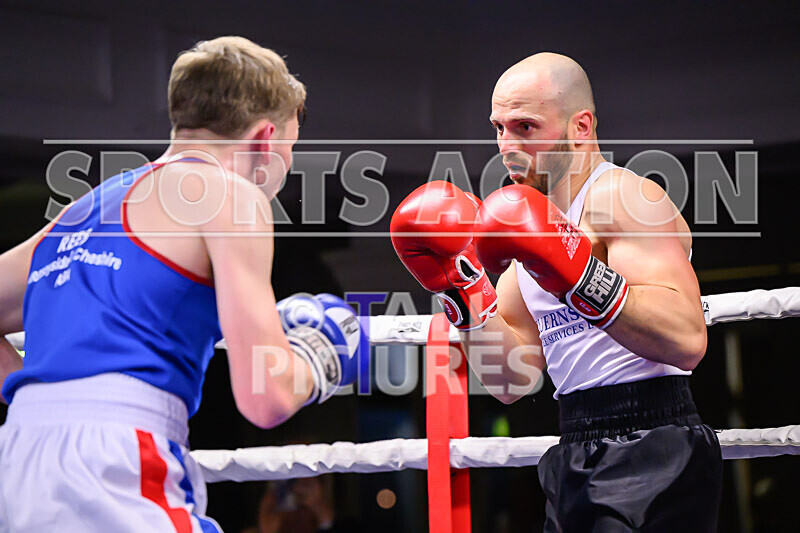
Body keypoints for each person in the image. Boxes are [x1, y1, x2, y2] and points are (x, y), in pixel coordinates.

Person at [0, 36, 365, 532]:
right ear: (264, 139)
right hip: (118, 454)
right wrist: (321, 353)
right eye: (290, 149)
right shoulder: (230, 196)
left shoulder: (82, 209)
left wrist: (38, 393)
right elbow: (267, 397)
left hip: (21, 455)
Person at [391, 52, 721, 531]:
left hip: (653, 442)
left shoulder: (624, 198)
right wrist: (461, 285)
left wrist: (577, 274)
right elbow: (510, 381)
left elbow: (687, 340)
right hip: (574, 443)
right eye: (499, 128)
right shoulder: (525, 226)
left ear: (580, 126)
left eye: (525, 127)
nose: (507, 147)